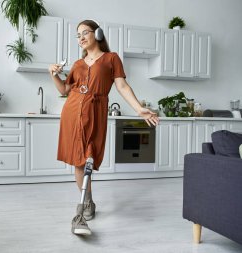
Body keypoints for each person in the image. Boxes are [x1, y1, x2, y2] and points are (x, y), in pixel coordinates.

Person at [48, 20, 159, 236]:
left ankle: (85, 203)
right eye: (77, 34)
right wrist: (52, 74)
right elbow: (63, 90)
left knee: (89, 156)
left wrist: (139, 108)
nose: (80, 37)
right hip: (72, 112)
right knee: (79, 160)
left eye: (84, 33)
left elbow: (122, 86)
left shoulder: (111, 58)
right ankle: (87, 202)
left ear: (97, 34)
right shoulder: (78, 64)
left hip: (95, 112)